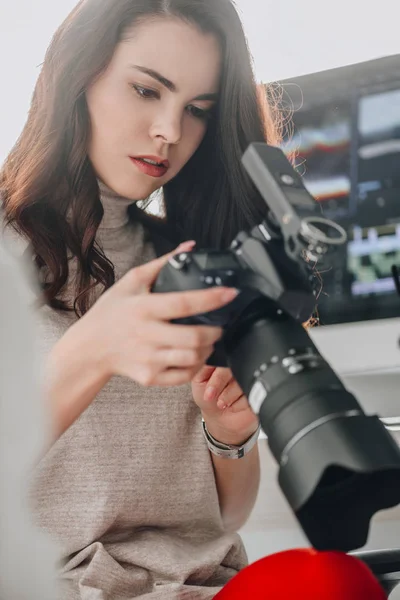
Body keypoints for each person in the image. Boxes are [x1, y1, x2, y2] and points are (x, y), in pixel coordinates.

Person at [0, 0, 281, 597]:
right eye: (146, 90)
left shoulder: (191, 260)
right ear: (79, 74)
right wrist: (91, 351)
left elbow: (224, 520)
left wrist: (227, 432)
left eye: (197, 110)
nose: (170, 132)